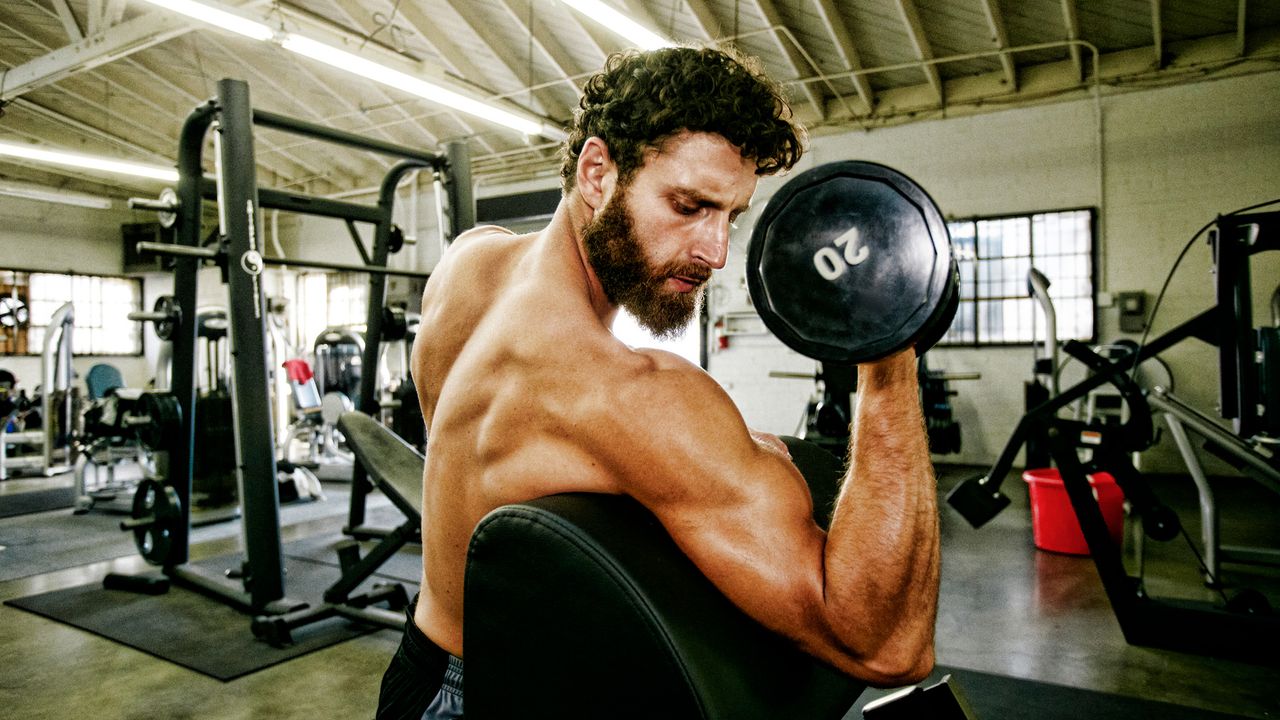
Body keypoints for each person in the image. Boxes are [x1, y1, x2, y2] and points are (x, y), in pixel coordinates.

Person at [376, 44, 939, 719]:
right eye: (688, 205)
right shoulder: (626, 396)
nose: (717, 251)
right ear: (596, 173)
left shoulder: (469, 265)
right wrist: (886, 346)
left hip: (418, 675)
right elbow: (887, 644)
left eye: (730, 215)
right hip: (506, 695)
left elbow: (502, 452)